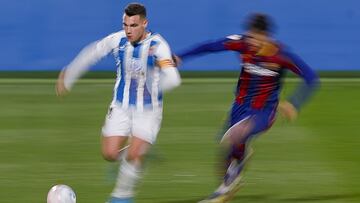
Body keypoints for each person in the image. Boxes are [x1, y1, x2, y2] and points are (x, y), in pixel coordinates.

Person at [175, 13, 319, 203]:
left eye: (256, 37)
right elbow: (210, 46)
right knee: (226, 151)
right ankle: (224, 188)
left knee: (237, 135)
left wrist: (294, 103)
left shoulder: (281, 55)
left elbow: (311, 78)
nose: (251, 41)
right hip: (239, 108)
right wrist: (181, 57)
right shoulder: (241, 43)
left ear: (266, 36)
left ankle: (230, 175)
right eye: (249, 36)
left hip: (264, 112)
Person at [56, 3, 181, 203]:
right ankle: (141, 150)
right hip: (121, 106)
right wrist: (69, 74)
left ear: (144, 23)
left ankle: (122, 196)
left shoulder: (158, 46)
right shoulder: (117, 40)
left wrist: (154, 90)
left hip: (148, 111)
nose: (128, 30)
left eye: (133, 25)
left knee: (133, 156)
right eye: (125, 25)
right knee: (110, 154)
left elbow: (173, 78)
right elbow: (92, 52)